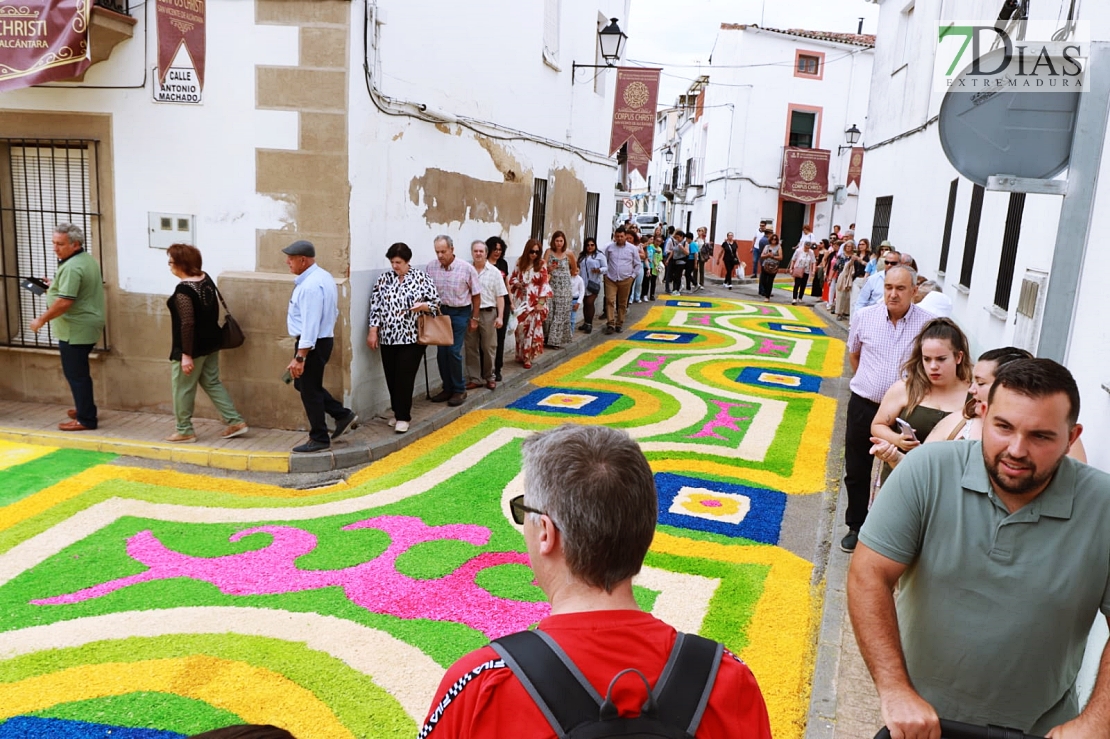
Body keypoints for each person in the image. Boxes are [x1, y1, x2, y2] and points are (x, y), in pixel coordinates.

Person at [419, 424, 774, 739]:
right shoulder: (727, 681)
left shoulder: (482, 686)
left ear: (546, 532)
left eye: (525, 510)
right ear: (645, 528)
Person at [848, 359, 1110, 738]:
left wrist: (1096, 723)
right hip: (921, 724)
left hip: (1043, 728)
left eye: (1041, 436)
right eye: (1003, 427)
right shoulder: (927, 471)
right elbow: (869, 573)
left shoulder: (1103, 506)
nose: (1017, 449)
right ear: (982, 414)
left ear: (1072, 437)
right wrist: (894, 689)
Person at [840, 265, 932, 553]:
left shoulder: (929, 324)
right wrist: (870, 383)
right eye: (889, 287)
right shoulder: (864, 317)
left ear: (914, 292)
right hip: (864, 405)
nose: (893, 294)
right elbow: (854, 354)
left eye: (901, 288)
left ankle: (890, 528)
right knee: (857, 468)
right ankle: (857, 526)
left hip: (906, 411)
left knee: (900, 469)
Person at [875, 347, 1088, 464]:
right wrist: (895, 456)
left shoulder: (1062, 437)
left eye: (981, 383)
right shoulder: (958, 422)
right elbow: (921, 472)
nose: (971, 389)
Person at [868, 317, 971, 483]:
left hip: (947, 485)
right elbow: (877, 425)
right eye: (927, 359)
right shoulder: (904, 388)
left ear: (958, 357)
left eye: (941, 359)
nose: (933, 367)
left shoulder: (974, 396)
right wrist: (897, 440)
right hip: (900, 479)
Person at [164, 243, 248, 443]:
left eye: (171, 262)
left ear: (181, 264)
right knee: (211, 382)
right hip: (212, 342)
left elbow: (187, 323)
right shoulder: (205, 278)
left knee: (183, 388)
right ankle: (235, 421)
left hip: (192, 348)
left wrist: (186, 354)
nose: (170, 266)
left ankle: (184, 429)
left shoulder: (184, 291)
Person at [29, 223, 106, 431]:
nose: (55, 248)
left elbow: (65, 302)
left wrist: (41, 320)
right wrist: (53, 285)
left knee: (76, 374)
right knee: (79, 373)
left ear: (75, 244)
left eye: (60, 244)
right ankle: (85, 408)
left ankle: (86, 418)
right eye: (54, 243)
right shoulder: (83, 259)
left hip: (75, 329)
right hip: (83, 325)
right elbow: (71, 291)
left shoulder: (72, 267)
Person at [283, 240, 357, 453]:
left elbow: (310, 323)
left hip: (312, 343)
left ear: (303, 260)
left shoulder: (310, 286)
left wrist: (300, 356)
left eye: (291, 258)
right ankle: (342, 415)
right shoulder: (322, 276)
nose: (288, 262)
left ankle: (319, 438)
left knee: (309, 390)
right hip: (320, 341)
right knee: (304, 385)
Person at [367, 242, 441, 434]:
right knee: (391, 376)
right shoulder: (384, 279)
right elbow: (375, 307)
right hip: (389, 337)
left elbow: (435, 303)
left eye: (398, 262)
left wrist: (422, 306)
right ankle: (397, 411)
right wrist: (373, 331)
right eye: (392, 262)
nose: (395, 266)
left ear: (407, 261)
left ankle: (403, 417)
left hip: (412, 337)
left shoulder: (421, 278)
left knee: (404, 377)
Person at [426, 235, 482, 407]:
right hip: (440, 312)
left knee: (453, 351)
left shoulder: (466, 268)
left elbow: (476, 295)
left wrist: (474, 318)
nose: (440, 255)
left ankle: (459, 389)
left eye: (443, 251)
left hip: (460, 312)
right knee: (441, 353)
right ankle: (447, 387)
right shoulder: (431, 267)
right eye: (437, 252)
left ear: (452, 249)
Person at [465, 240, 507, 391]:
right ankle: (475, 378)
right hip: (470, 313)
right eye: (475, 251)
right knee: (471, 347)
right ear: (472, 253)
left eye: (481, 251)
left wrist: (500, 316)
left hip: (489, 313)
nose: (478, 254)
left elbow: (500, 296)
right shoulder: (467, 270)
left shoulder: (494, 272)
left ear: (486, 253)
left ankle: (490, 377)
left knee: (489, 347)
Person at [509, 239, 553, 369]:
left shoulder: (541, 264)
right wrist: (517, 283)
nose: (534, 254)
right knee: (520, 328)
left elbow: (545, 283)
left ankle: (527, 357)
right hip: (520, 300)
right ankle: (520, 354)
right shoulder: (519, 262)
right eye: (532, 251)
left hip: (534, 300)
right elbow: (513, 277)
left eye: (537, 252)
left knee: (531, 329)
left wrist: (541, 302)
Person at [541, 231, 575, 349]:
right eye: (557, 241)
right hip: (551, 285)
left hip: (564, 288)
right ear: (553, 241)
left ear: (564, 241)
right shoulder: (548, 252)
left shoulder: (569, 253)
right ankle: (546, 338)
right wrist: (549, 269)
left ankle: (556, 341)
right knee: (549, 312)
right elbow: (542, 268)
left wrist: (565, 277)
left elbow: (574, 269)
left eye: (561, 241)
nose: (559, 243)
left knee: (560, 313)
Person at [485, 236, 512, 382]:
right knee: (488, 340)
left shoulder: (503, 263)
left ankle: (498, 368)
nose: (497, 252)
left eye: (500, 250)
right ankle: (487, 369)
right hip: (489, 304)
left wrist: (512, 302)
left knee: (500, 338)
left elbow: (507, 283)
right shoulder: (484, 264)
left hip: (504, 303)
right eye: (495, 249)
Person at [603, 226, 638, 333]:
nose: (619, 238)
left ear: (625, 236)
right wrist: (605, 274)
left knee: (622, 302)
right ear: (614, 236)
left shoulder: (632, 249)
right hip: (611, 278)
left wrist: (632, 277)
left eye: (621, 236)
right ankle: (610, 323)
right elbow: (605, 261)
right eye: (617, 236)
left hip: (626, 279)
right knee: (610, 300)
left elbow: (637, 264)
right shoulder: (609, 248)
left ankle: (619, 323)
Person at [855, 248, 899, 314]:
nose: (889, 265)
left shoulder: (906, 281)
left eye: (893, 263)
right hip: (873, 317)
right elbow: (861, 301)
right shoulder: (873, 279)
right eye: (887, 262)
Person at [577, 237, 606, 334]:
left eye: (592, 245)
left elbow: (606, 268)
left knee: (590, 302)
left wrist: (599, 270)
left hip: (594, 283)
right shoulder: (582, 256)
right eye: (588, 245)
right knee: (585, 303)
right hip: (583, 283)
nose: (590, 247)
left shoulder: (599, 255)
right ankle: (586, 322)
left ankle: (589, 324)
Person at [787, 238, 816, 305]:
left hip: (806, 270)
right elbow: (793, 259)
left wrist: (813, 270)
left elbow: (813, 261)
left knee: (803, 284)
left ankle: (800, 297)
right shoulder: (798, 251)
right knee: (797, 284)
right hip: (799, 269)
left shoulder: (811, 252)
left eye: (808, 247)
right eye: (806, 247)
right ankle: (794, 298)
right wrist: (791, 268)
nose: (807, 249)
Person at [757, 233, 782, 302]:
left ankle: (767, 296)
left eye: (775, 239)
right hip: (765, 265)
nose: (774, 240)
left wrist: (773, 257)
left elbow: (780, 257)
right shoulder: (767, 247)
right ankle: (766, 291)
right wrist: (767, 255)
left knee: (770, 281)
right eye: (772, 239)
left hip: (774, 266)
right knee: (764, 281)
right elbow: (762, 256)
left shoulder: (779, 247)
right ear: (770, 240)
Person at [663, 228, 688, 295]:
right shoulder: (676, 242)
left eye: (678, 237)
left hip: (681, 261)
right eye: (676, 238)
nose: (677, 239)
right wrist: (668, 259)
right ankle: (674, 289)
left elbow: (687, 253)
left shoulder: (685, 243)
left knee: (678, 276)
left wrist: (682, 248)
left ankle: (677, 289)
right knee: (674, 276)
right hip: (675, 261)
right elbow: (673, 251)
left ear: (682, 237)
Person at [644, 232, 663, 299]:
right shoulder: (651, 247)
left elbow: (660, 258)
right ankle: (644, 294)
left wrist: (660, 266)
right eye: (657, 241)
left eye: (659, 242)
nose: (658, 243)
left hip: (656, 268)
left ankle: (652, 294)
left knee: (653, 282)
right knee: (646, 281)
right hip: (650, 266)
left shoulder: (660, 249)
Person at [628, 235, 646, 305]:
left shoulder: (639, 245)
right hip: (631, 265)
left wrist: (635, 254)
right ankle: (630, 299)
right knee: (632, 282)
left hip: (640, 263)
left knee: (639, 282)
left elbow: (643, 256)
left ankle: (637, 297)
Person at [569, 267, 583, 335]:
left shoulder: (580, 279)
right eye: (574, 270)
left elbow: (582, 291)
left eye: (577, 271)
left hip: (575, 300)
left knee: (573, 318)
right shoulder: (567, 278)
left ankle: (571, 332)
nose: (575, 273)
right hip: (567, 300)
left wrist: (578, 302)